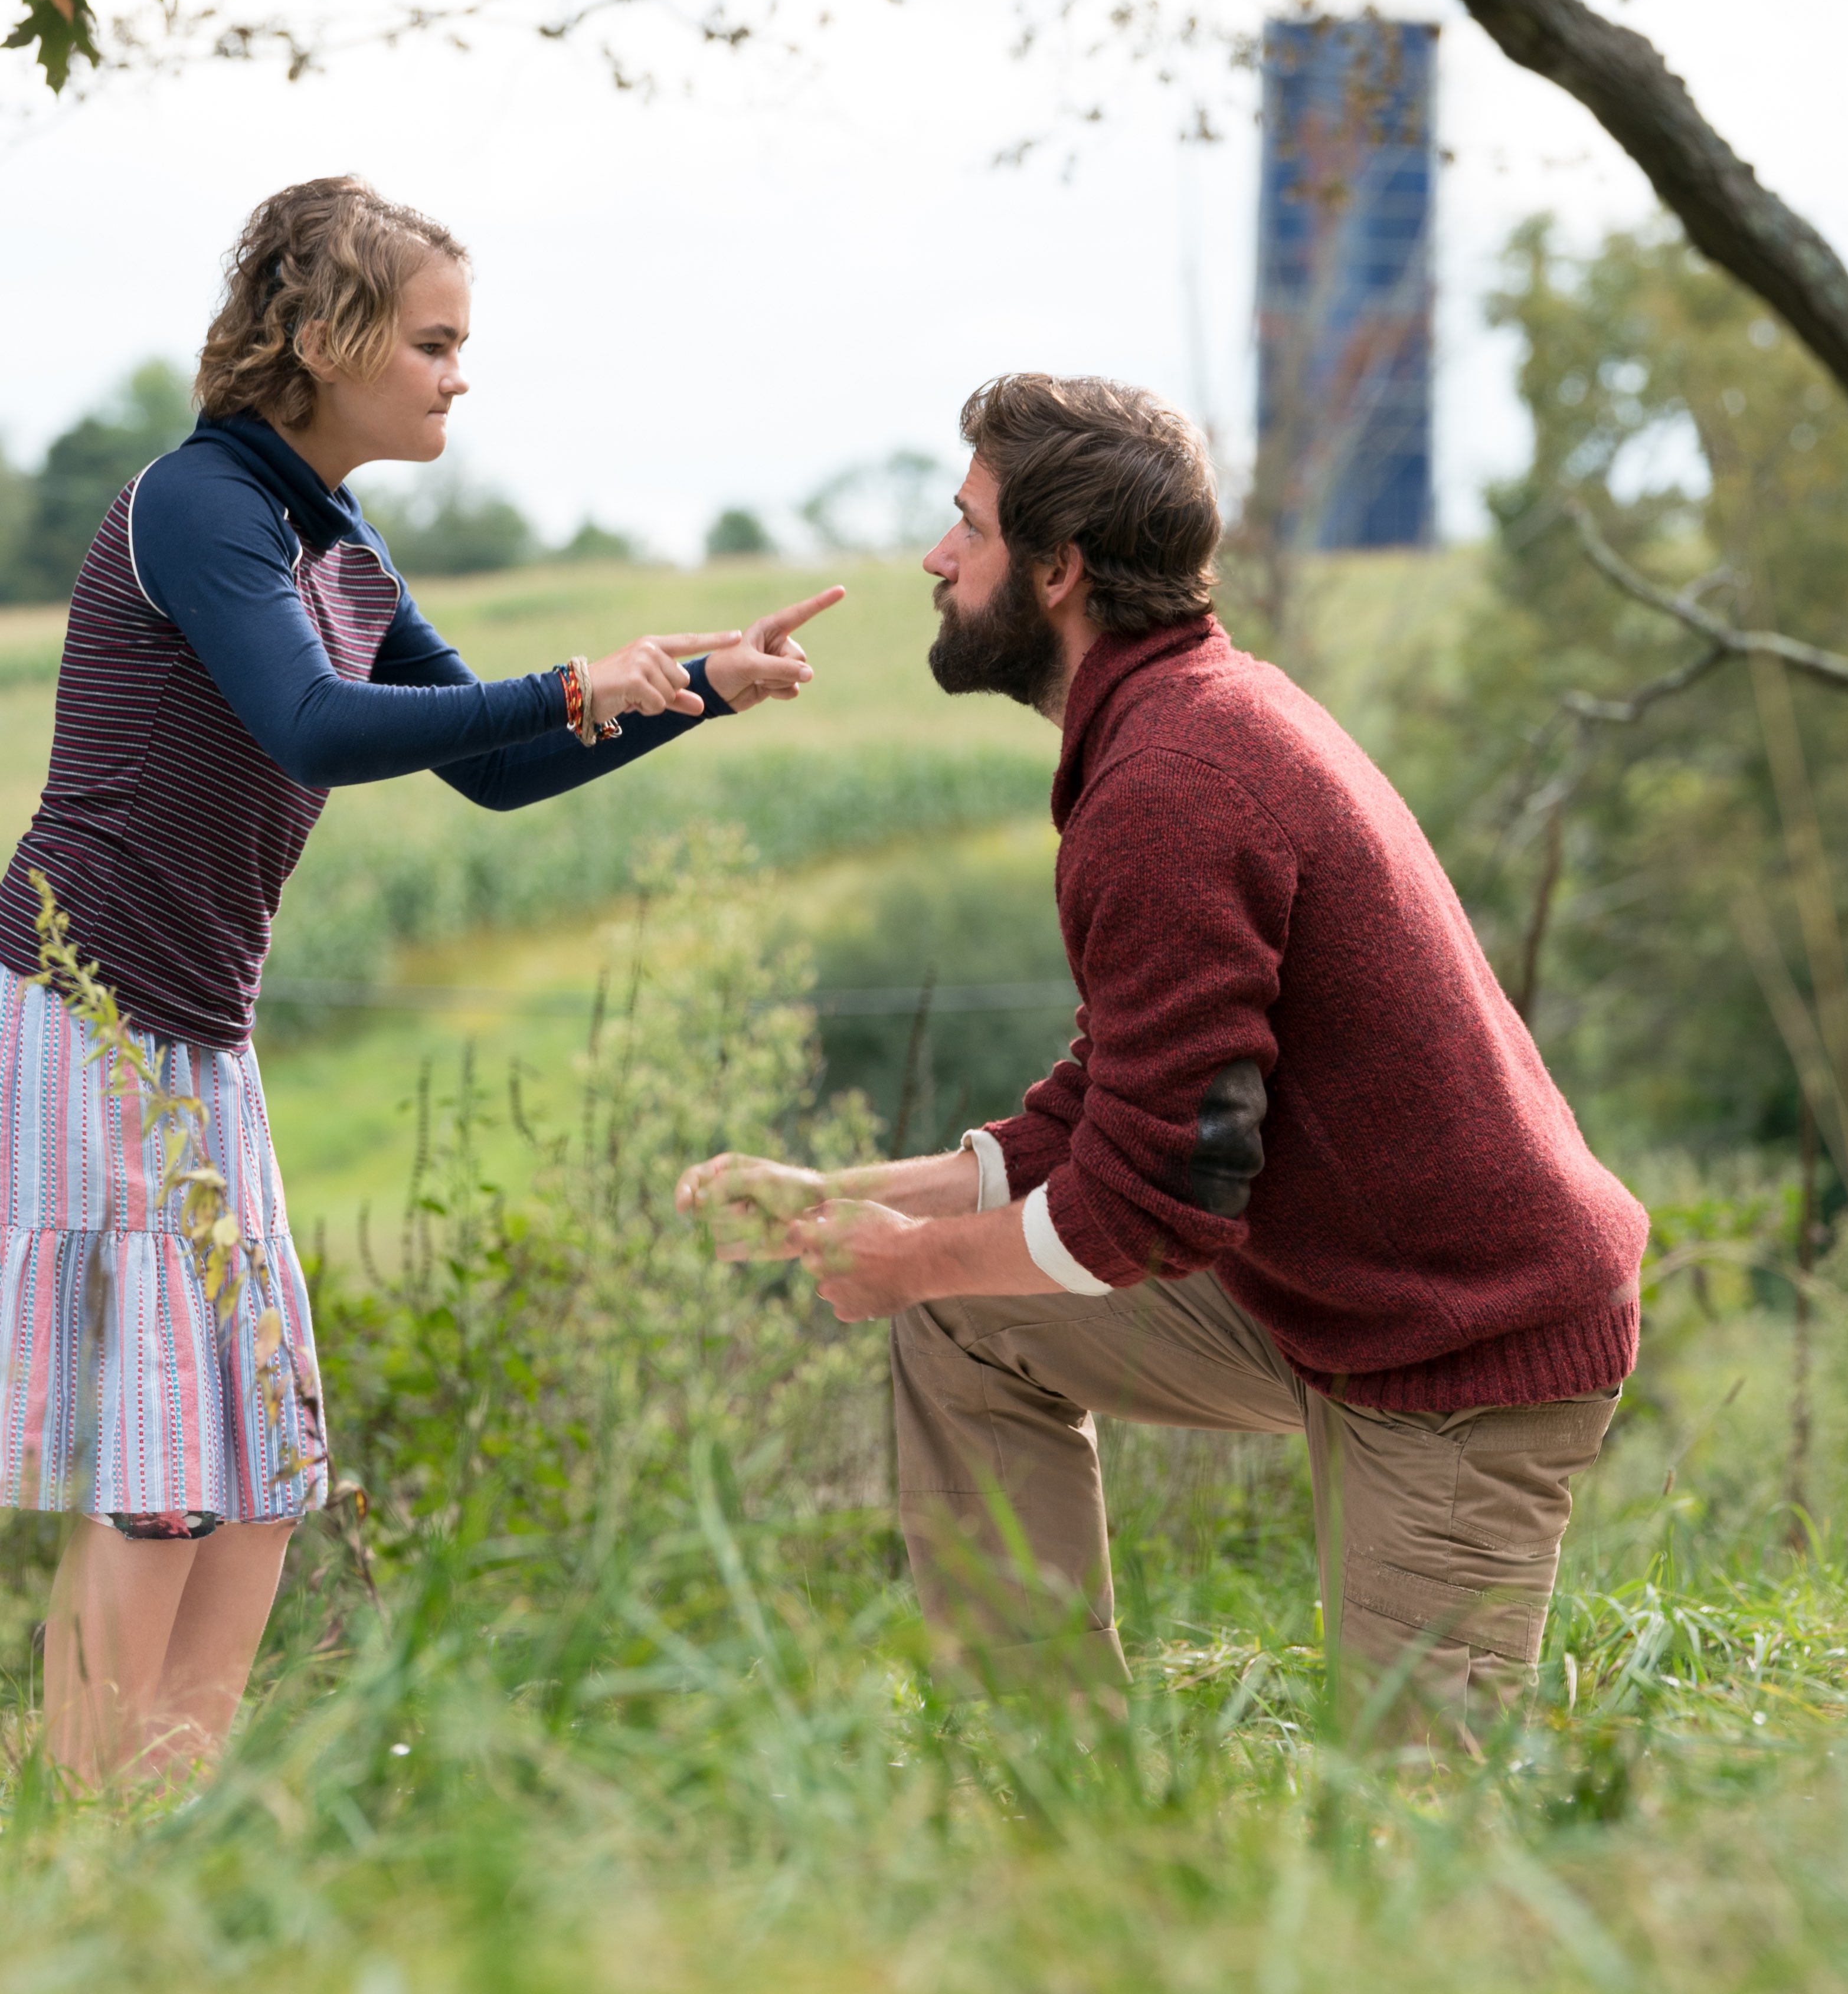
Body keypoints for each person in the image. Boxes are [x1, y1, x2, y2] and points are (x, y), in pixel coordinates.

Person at [0, 176, 840, 1785]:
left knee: (257, 1461)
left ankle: (165, 1828)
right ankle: (80, 1838)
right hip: (67, 1017)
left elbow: (499, 772)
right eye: (436, 341)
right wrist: (566, 679)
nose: (462, 373)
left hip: (184, 1038)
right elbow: (310, 725)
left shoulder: (333, 531)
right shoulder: (200, 504)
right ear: (327, 338)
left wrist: (695, 694)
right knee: (168, 1464)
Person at [679, 374, 1645, 1731]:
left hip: (1462, 1339)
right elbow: (1108, 1109)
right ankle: (1056, 1787)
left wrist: (909, 1257)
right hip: (1331, 1292)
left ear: (1060, 570)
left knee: (1420, 1826)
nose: (935, 558)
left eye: (969, 526)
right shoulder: (1177, 724)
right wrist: (852, 1205)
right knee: (964, 1316)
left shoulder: (1177, 778)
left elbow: (1155, 1197)